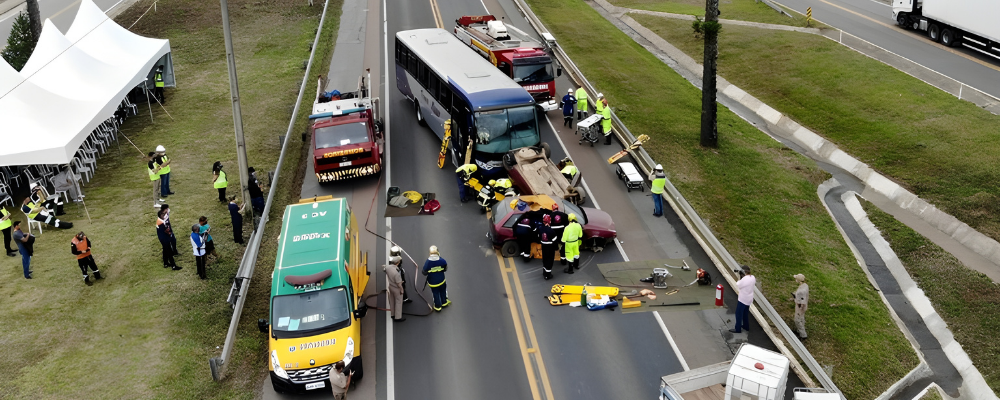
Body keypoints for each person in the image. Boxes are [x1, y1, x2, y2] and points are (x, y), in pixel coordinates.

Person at [422, 245, 450, 311]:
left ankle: (438, 306)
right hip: (441, 280)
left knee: (435, 293)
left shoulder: (428, 262)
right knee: (443, 291)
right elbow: (445, 268)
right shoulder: (442, 260)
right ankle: (444, 302)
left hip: (433, 282)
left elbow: (424, 272)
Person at [730, 265, 756, 334]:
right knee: (745, 313)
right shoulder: (753, 277)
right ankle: (746, 326)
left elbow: (738, 284)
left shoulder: (744, 279)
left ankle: (737, 329)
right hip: (749, 299)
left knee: (738, 314)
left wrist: (739, 277)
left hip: (743, 299)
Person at [385, 255, 406, 322]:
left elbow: (384, 268)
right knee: (398, 302)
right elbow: (399, 284)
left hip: (390, 287)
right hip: (396, 289)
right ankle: (398, 317)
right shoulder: (396, 273)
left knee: (392, 301)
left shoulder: (388, 267)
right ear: (398, 262)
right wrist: (402, 290)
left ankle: (392, 314)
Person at [538, 215, 557, 280]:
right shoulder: (551, 231)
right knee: (550, 260)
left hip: (543, 246)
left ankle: (544, 272)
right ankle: (547, 275)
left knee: (545, 259)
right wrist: (556, 248)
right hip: (550, 248)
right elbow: (555, 241)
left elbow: (539, 237)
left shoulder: (540, 229)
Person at [792, 274, 809, 339]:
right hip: (804, 306)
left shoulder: (800, 291)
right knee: (801, 318)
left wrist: (796, 298)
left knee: (797, 320)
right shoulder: (805, 285)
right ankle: (799, 330)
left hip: (800, 307)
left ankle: (803, 335)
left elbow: (800, 302)